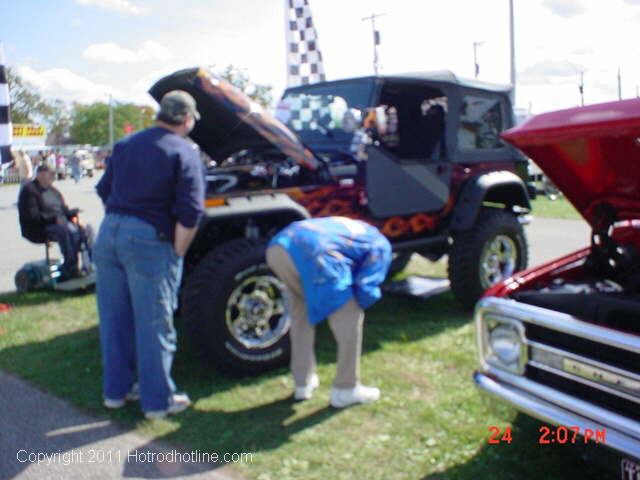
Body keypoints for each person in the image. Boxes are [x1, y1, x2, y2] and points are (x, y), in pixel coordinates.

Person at [94, 90, 205, 419]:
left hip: (108, 233)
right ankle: (158, 401)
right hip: (148, 240)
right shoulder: (185, 151)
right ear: (187, 120)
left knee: (115, 319)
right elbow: (191, 212)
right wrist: (177, 252)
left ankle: (116, 391)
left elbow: (103, 189)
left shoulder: (127, 144)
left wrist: (121, 218)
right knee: (154, 322)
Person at [266, 216, 392, 408]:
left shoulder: (350, 226)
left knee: (301, 312)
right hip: (316, 254)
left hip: (278, 247)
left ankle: (303, 382)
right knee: (350, 318)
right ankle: (346, 389)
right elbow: (367, 285)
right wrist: (354, 304)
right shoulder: (380, 244)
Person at [18, 164, 92, 280]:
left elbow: (64, 210)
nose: (53, 177)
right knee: (64, 231)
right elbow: (32, 216)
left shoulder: (53, 191)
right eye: (51, 174)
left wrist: (74, 217)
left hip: (59, 223)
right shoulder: (29, 191)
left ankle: (90, 265)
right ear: (40, 175)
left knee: (87, 229)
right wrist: (54, 219)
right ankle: (70, 269)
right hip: (38, 228)